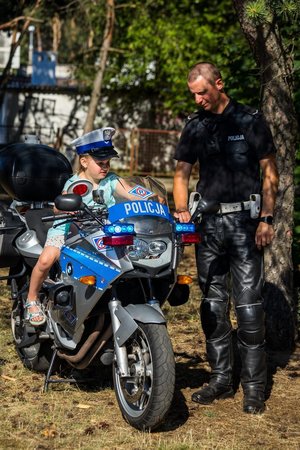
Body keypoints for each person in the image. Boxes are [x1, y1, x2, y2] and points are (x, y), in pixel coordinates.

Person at [173, 62, 279, 414]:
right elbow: (182, 172)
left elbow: (269, 171)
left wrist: (266, 218)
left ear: (219, 83)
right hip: (209, 227)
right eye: (194, 94)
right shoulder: (195, 126)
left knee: (249, 309)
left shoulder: (249, 120)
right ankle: (220, 379)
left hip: (246, 227)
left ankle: (253, 388)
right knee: (213, 307)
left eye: (203, 92)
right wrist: (181, 211)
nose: (199, 99)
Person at [25, 127, 125, 326]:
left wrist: (149, 198)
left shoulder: (112, 180)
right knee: (46, 259)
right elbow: (57, 208)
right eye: (100, 163)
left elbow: (131, 192)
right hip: (67, 229)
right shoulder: (75, 183)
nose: (105, 167)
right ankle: (32, 299)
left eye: (108, 162)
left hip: (101, 230)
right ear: (84, 161)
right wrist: (64, 210)